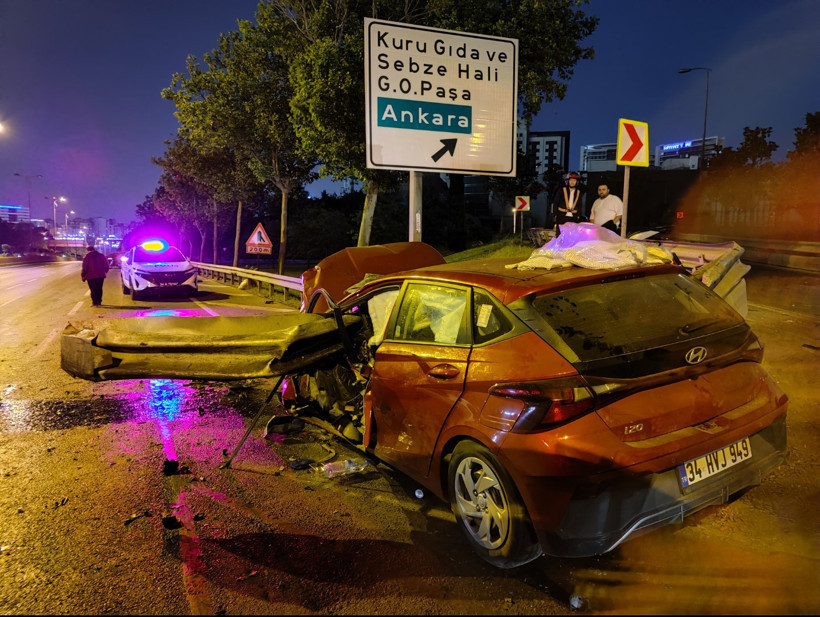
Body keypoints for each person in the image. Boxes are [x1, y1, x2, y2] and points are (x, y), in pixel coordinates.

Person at [552, 172, 585, 237]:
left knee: (571, 236)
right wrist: (555, 214)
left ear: (577, 182)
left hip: (573, 217)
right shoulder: (561, 190)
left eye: (574, 180)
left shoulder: (578, 192)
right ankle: (560, 247)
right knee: (560, 235)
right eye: (571, 180)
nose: (572, 182)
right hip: (561, 216)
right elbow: (555, 202)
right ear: (568, 181)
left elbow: (580, 205)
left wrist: (578, 215)